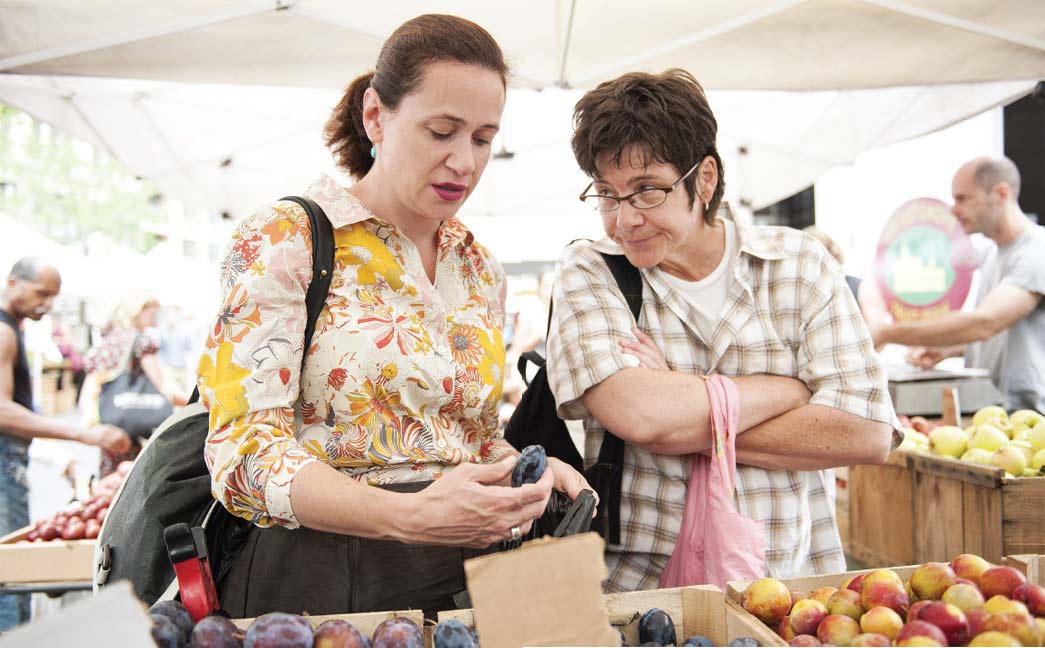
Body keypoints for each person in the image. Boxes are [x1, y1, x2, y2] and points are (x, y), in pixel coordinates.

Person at [196, 14, 591, 618]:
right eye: (442, 131)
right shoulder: (289, 238)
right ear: (375, 114)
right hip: (316, 573)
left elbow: (464, 438)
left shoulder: (479, 267)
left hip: (462, 575)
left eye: (483, 139)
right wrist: (409, 514)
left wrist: (528, 470)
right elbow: (242, 453)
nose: (464, 161)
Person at [546, 69, 897, 591]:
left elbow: (867, 433)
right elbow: (644, 416)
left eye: (646, 191)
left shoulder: (798, 265)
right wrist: (788, 392)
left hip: (792, 589)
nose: (623, 220)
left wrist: (684, 414)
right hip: (643, 593)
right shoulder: (592, 270)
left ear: (704, 178)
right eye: (606, 194)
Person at [0, 257, 130, 630]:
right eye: (41, 293)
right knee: (10, 576)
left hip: (12, 455)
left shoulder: (12, 328)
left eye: (53, 296)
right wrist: (83, 435)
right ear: (12, 282)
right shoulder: (4, 330)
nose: (47, 304)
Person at [871, 157, 1045, 412]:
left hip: (1034, 419)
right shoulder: (993, 254)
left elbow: (985, 322)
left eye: (963, 198)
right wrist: (951, 349)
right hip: (999, 415)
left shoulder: (1036, 252)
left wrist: (885, 332)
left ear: (1001, 193)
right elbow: (1011, 335)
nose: (953, 210)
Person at [81, 290, 185, 476]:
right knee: (132, 478)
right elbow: (165, 389)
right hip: (133, 428)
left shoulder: (110, 339)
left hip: (109, 420)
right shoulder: (141, 342)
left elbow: (91, 386)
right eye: (153, 312)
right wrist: (195, 403)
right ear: (140, 311)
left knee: (111, 481)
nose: (156, 317)